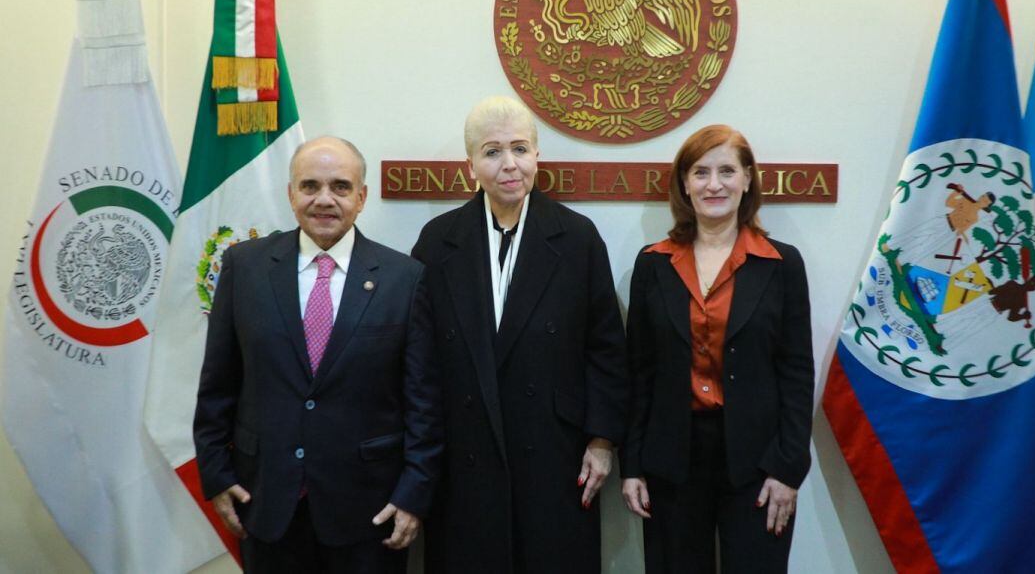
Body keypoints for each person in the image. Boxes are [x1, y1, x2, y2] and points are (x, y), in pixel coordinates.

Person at [193, 136, 442, 573]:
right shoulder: (243, 267)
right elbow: (217, 386)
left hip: (370, 511)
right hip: (265, 503)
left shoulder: (405, 278)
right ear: (291, 194)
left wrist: (414, 495)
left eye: (340, 187)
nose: (324, 199)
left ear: (361, 197)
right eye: (310, 186)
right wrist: (216, 476)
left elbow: (424, 402)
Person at [412, 96, 627, 574]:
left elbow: (607, 351)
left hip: (557, 456)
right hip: (463, 459)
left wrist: (602, 442)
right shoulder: (437, 242)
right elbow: (419, 362)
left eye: (520, 149)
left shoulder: (577, 237)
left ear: (537, 155)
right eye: (492, 152)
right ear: (470, 165)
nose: (509, 165)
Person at [620, 124, 814, 574]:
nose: (714, 184)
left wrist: (788, 469)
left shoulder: (782, 265)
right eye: (701, 172)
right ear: (684, 183)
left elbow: (797, 373)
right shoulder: (653, 264)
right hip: (672, 460)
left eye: (727, 171)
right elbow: (639, 373)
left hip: (759, 464)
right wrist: (632, 465)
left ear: (747, 179)